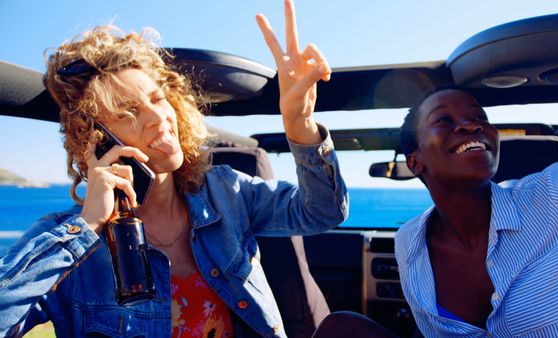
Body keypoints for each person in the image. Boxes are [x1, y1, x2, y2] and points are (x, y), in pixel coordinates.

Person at [0, 1, 349, 337]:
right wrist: (88, 225)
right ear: (96, 140)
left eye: (157, 99)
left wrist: (300, 125)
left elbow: (322, 211)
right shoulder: (72, 241)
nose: (157, 118)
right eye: (127, 112)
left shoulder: (226, 192)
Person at [395, 87, 558, 337]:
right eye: (443, 120)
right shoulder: (408, 241)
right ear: (415, 162)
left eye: (480, 117)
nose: (471, 126)